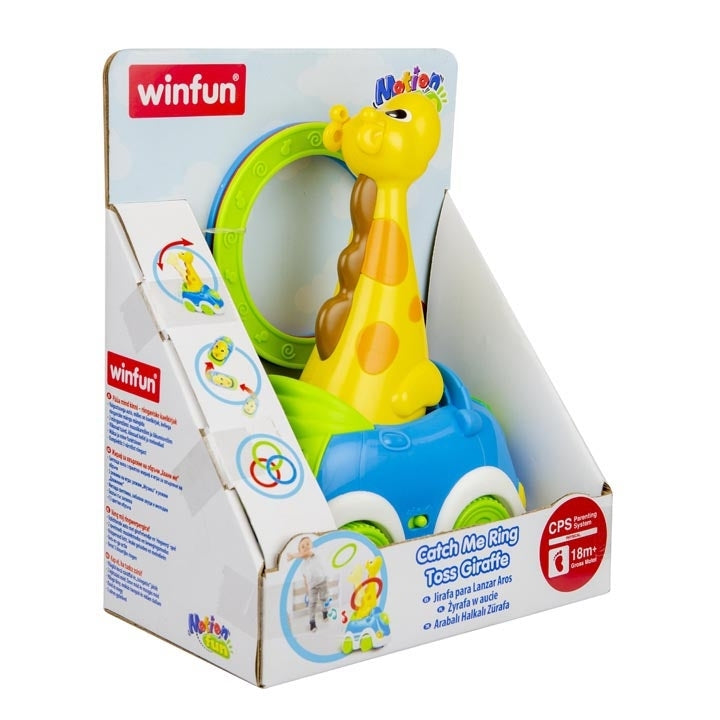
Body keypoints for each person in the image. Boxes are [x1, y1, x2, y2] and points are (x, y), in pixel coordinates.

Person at [287, 536, 329, 632]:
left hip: (322, 581)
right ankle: (312, 623)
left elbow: (307, 553)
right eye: (302, 546)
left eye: (307, 544)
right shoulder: (303, 567)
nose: (306, 546)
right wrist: (307, 590)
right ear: (300, 551)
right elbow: (306, 579)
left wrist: (293, 556)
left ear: (311, 545)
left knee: (324, 598)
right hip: (312, 586)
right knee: (312, 604)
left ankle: (325, 612)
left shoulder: (314, 552)